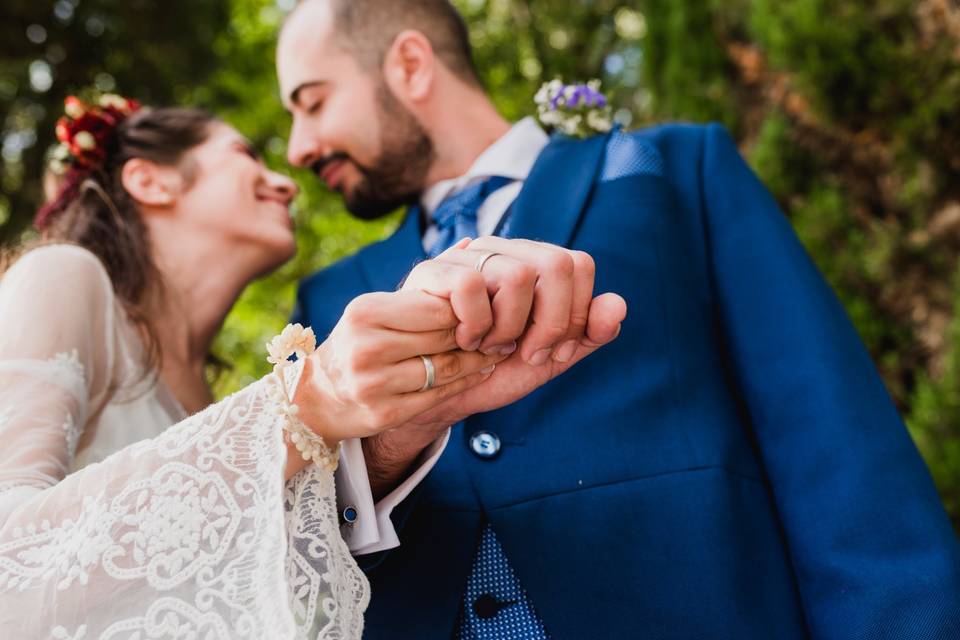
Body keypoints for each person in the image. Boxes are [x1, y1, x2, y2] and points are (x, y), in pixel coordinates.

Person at [278, 0, 960, 638]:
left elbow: (827, 430)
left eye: (312, 103)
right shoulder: (330, 302)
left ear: (411, 64)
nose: (297, 149)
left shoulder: (674, 167)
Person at [0, 96, 624, 638]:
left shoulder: (210, 396)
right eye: (245, 153)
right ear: (151, 181)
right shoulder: (64, 277)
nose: (288, 180)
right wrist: (307, 404)